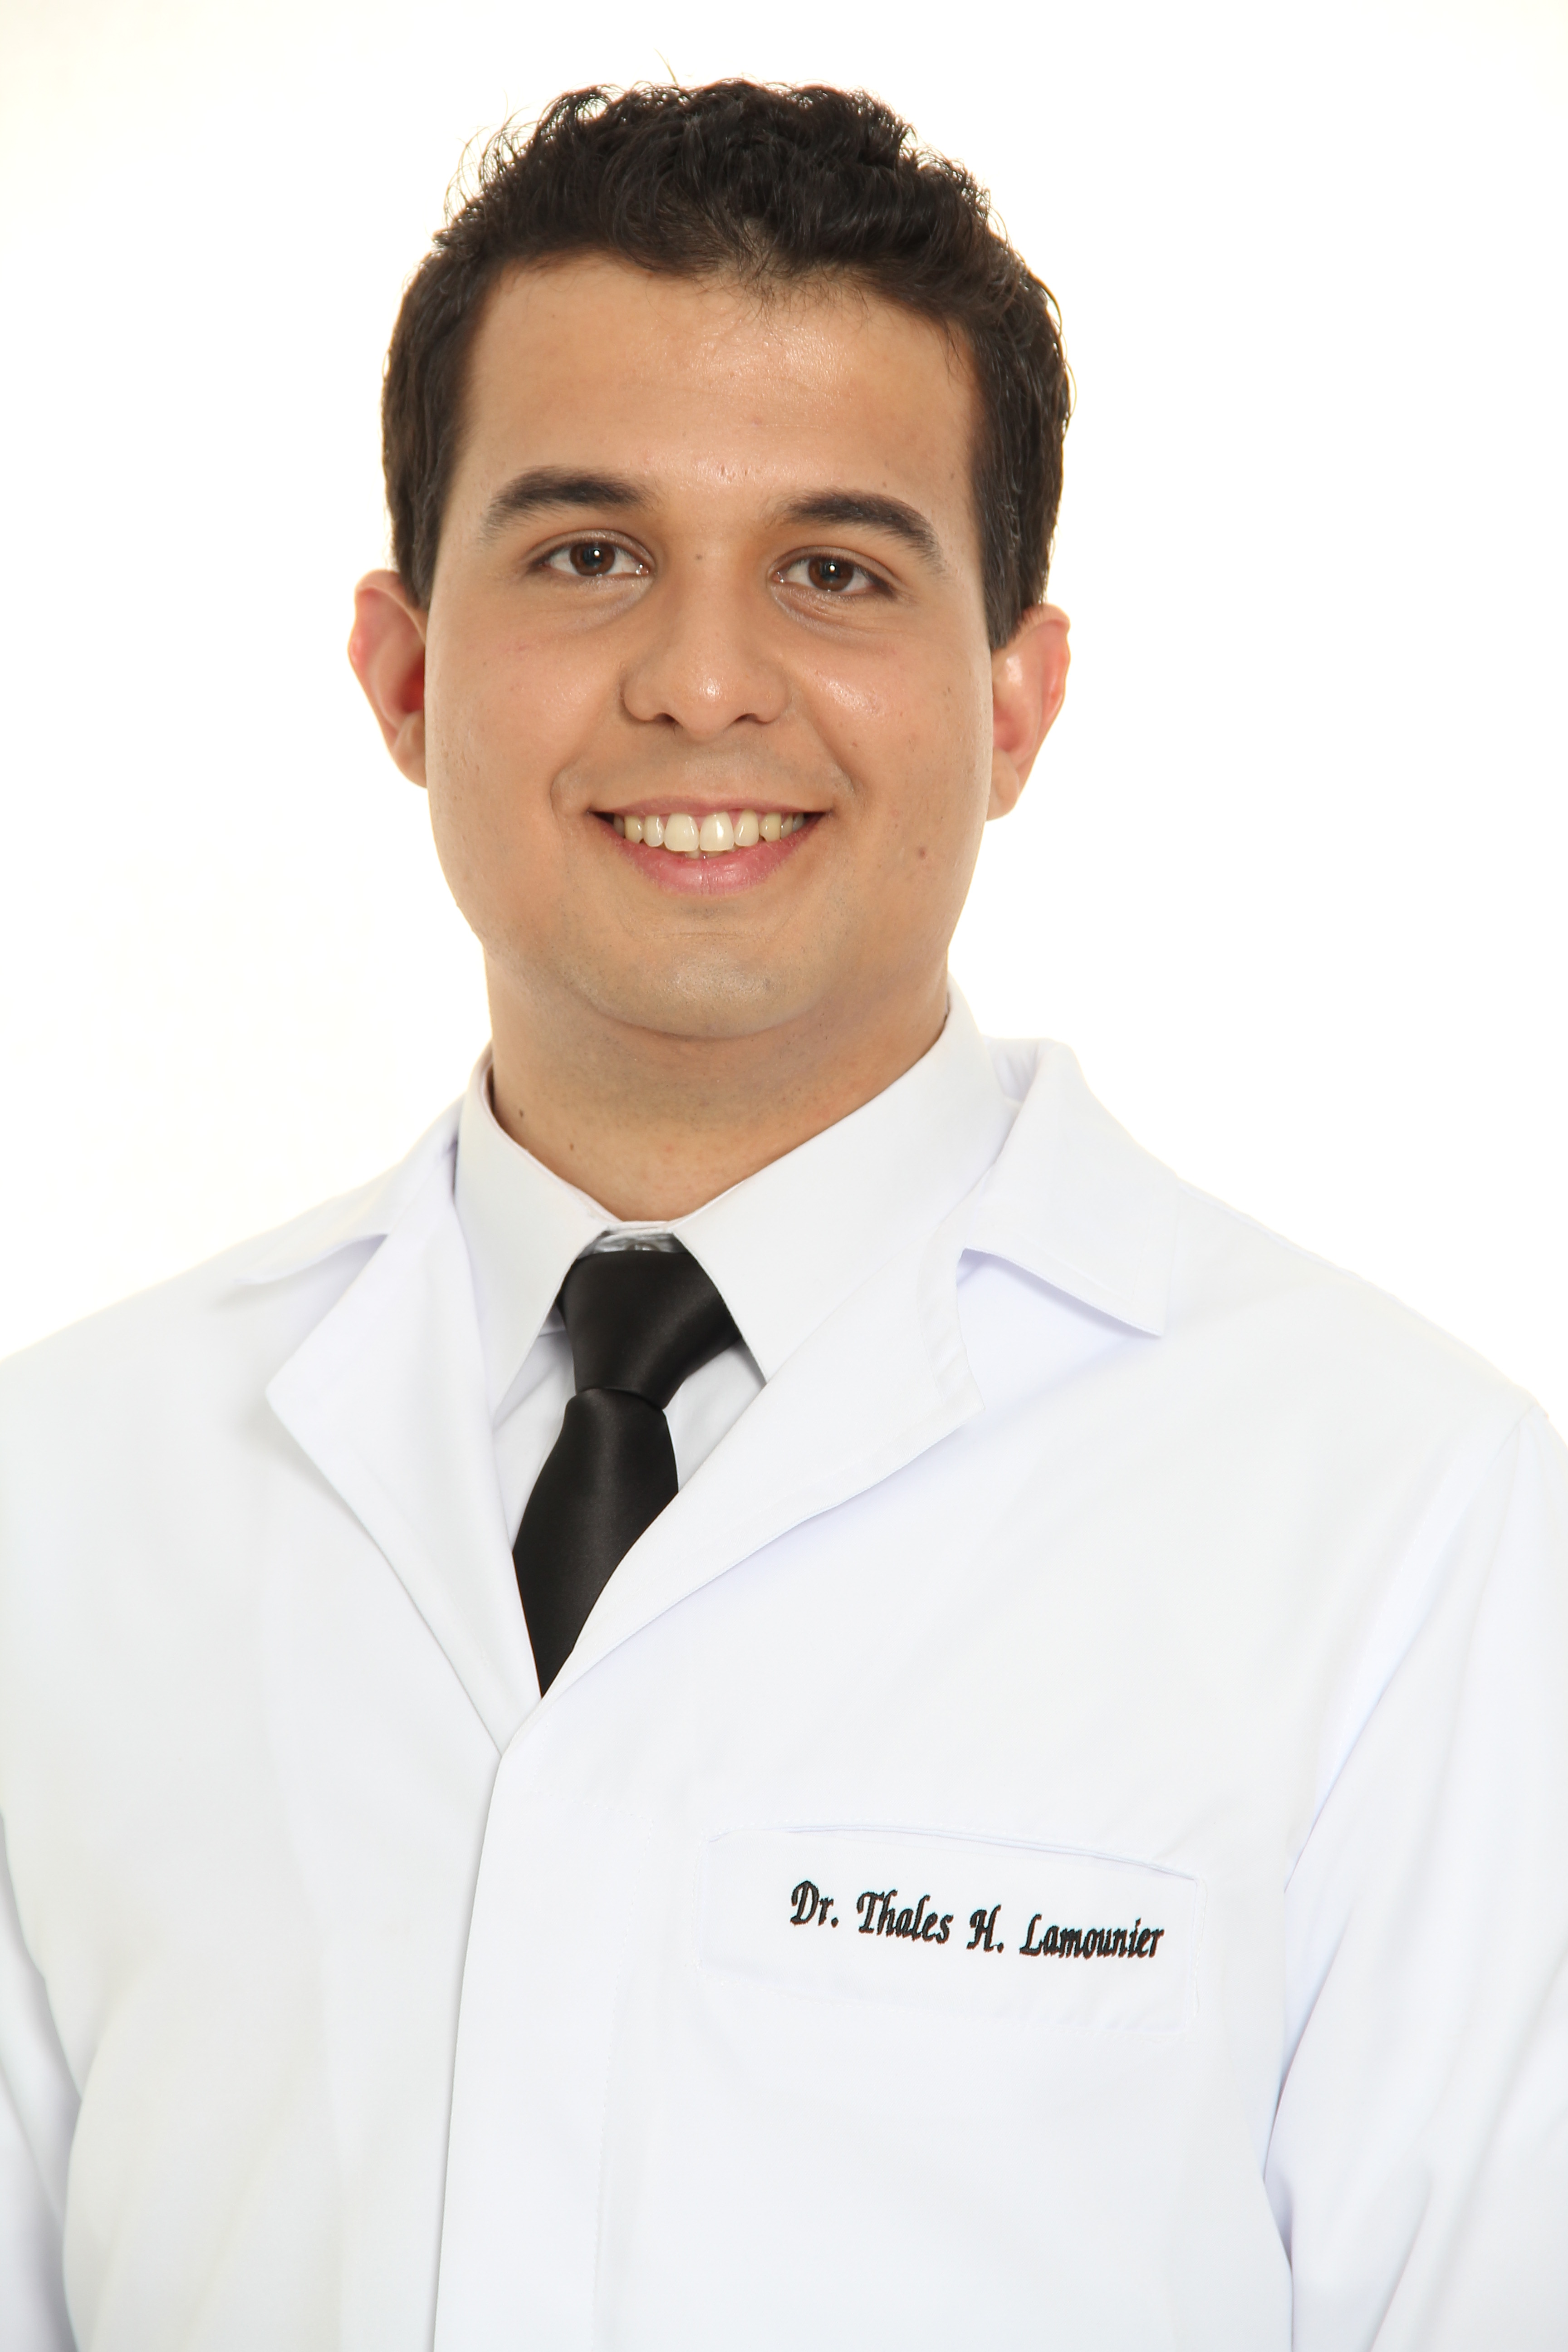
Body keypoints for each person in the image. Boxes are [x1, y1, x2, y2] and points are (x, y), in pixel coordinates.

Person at [0, 77, 1563, 2352]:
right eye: (587, 554)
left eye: (836, 570)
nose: (704, 681)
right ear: (405, 674)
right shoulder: (65, 1499)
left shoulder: (1404, 1527)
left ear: (1017, 701)